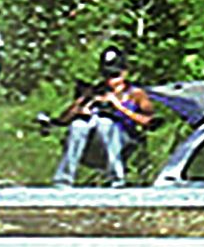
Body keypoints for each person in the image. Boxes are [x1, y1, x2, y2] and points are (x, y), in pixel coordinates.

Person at [50, 47, 156, 188]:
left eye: (115, 75)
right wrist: (81, 106)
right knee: (78, 125)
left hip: (122, 138)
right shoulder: (96, 91)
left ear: (124, 73)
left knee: (105, 122)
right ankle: (64, 178)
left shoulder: (135, 93)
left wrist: (120, 107)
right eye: (107, 75)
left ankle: (116, 177)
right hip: (94, 140)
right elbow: (62, 120)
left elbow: (149, 121)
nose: (111, 81)